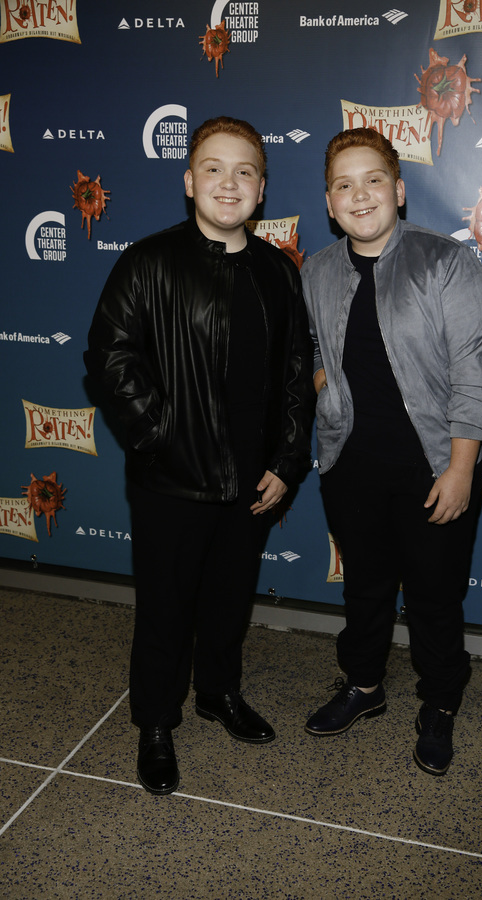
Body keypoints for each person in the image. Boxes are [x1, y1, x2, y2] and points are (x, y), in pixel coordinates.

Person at [84, 116, 313, 795]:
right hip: (171, 481)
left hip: (253, 481)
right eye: (213, 168)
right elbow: (109, 356)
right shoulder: (148, 262)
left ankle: (219, 693)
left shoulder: (278, 270)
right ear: (189, 181)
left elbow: (297, 371)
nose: (229, 182)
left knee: (227, 602)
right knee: (165, 608)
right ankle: (157, 723)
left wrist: (288, 458)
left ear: (262, 189)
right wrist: (158, 435)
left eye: (245, 171)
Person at [300, 128, 482, 775]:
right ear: (330, 203)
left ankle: (440, 703)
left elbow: (476, 373)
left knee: (435, 597)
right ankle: (363, 686)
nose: (360, 195)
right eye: (343, 184)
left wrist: (462, 467)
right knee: (364, 587)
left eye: (373, 180)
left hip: (433, 467)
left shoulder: (445, 262)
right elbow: (310, 352)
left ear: (400, 190)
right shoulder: (319, 270)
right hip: (350, 466)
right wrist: (323, 387)